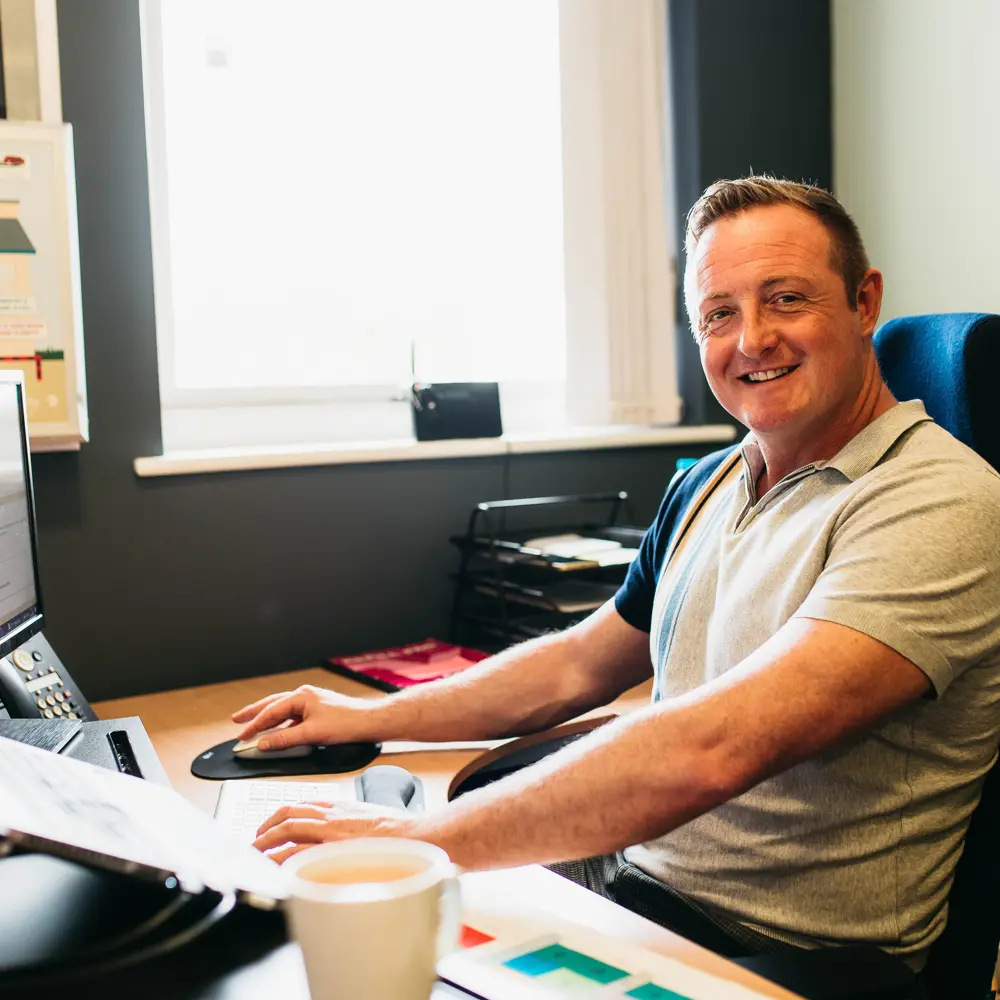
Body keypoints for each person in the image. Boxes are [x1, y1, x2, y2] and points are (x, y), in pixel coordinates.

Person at [234, 177, 1000, 967]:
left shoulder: (941, 504)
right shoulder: (708, 482)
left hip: (775, 955)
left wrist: (413, 837)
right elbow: (575, 666)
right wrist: (366, 719)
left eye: (787, 299)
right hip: (630, 888)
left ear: (864, 302)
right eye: (719, 314)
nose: (752, 340)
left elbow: (716, 747)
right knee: (297, 945)